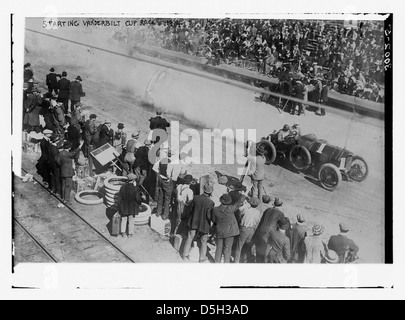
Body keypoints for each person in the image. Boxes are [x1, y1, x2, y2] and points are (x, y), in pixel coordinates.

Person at [182, 184, 215, 263]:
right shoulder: (211, 202)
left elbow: (190, 209)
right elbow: (209, 215)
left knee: (189, 237)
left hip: (193, 221)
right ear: (210, 192)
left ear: (203, 190)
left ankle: (184, 255)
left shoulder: (196, 198)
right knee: (204, 241)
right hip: (204, 224)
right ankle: (202, 258)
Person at [254, 197, 285, 262]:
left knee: (259, 251)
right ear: (281, 204)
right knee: (266, 253)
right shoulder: (280, 213)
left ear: (274, 203)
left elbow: (261, 221)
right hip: (269, 235)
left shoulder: (267, 210)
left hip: (260, 232)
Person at [212, 194, 240, 263]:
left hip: (219, 231)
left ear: (221, 201)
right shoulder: (231, 209)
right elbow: (240, 202)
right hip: (230, 232)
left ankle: (217, 262)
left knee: (218, 248)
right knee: (227, 249)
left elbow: (213, 220)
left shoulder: (215, 209)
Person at [234, 197, 261, 263]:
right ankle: (246, 261)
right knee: (248, 246)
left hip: (244, 228)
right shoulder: (258, 212)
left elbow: (239, 214)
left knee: (239, 246)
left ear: (250, 203)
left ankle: (236, 261)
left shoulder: (246, 209)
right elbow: (257, 221)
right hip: (252, 230)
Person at [116, 173, 143, 238]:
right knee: (131, 220)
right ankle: (130, 234)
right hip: (132, 208)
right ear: (133, 180)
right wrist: (140, 203)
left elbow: (119, 198)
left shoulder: (122, 187)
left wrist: (119, 207)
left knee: (124, 219)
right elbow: (138, 199)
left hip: (124, 208)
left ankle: (123, 233)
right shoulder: (135, 189)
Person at [56, 141, 80, 205]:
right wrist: (79, 148)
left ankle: (63, 197)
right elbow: (73, 153)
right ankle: (66, 200)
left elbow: (58, 162)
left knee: (63, 185)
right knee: (68, 186)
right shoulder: (68, 154)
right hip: (68, 172)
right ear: (69, 147)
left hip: (63, 171)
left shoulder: (60, 153)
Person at [152, 151, 175, 220]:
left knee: (160, 196)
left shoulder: (162, 160)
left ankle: (158, 212)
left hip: (160, 179)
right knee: (167, 199)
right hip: (166, 180)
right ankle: (165, 215)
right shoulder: (171, 162)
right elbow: (170, 174)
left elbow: (155, 169)